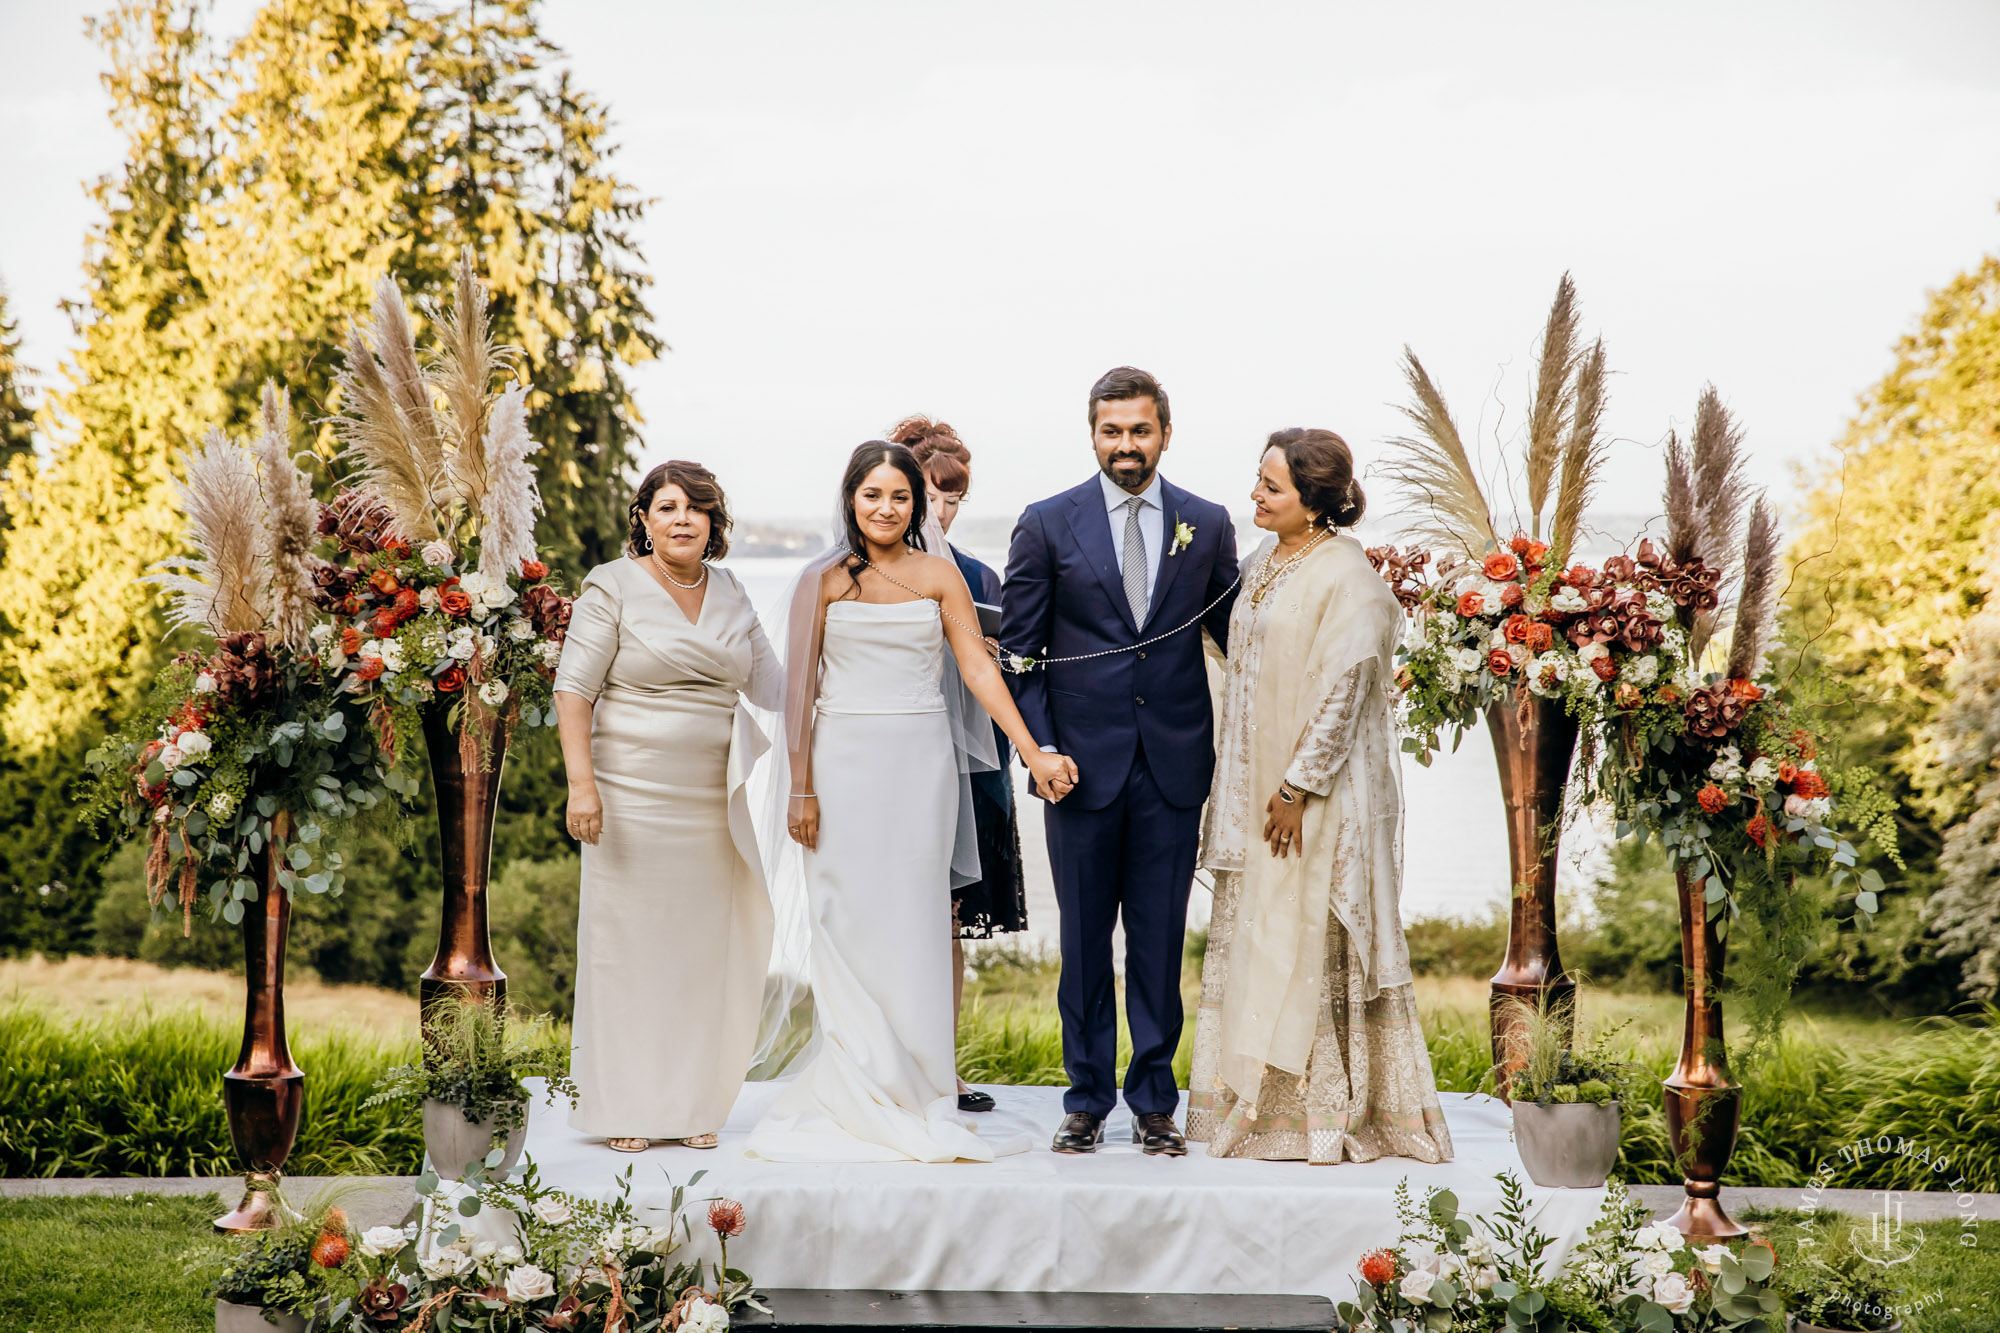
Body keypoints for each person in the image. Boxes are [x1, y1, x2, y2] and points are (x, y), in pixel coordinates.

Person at [744, 442, 1079, 1164]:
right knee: (844, 913)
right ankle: (857, 1072)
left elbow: (978, 670)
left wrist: (1031, 747)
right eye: (872, 495)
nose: (886, 508)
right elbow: (798, 691)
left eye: (899, 496)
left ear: (916, 504)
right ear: (851, 500)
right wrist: (800, 785)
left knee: (917, 917)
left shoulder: (939, 576)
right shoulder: (822, 581)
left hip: (921, 764)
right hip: (840, 765)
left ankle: (923, 1081)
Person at [1186, 429, 1454, 1165]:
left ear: (1315, 501)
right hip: (1256, 791)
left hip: (1312, 800)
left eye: (1271, 487)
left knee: (1309, 942)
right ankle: (1258, 1105)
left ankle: (1322, 1114)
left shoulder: (1348, 575)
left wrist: (1295, 785)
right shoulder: (1264, 562)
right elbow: (1235, 659)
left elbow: (1344, 689)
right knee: (1257, 940)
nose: (1255, 496)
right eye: (1259, 481)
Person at [998, 367, 1239, 1156]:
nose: (1126, 445)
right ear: (1093, 434)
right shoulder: (1045, 523)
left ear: (1165, 431)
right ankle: (1087, 1097)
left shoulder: (1206, 523)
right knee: (1085, 943)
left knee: (1161, 940)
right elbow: (1022, 656)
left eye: (1140, 430)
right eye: (1112, 431)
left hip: (1172, 765)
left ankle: (1155, 1100)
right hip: (1077, 771)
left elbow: (1244, 639)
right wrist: (1040, 751)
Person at [554, 461, 782, 1152]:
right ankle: (627, 1109)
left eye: (697, 508)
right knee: (629, 954)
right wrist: (581, 784)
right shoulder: (611, 585)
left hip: (713, 802)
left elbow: (776, 686)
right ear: (644, 518)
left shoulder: (733, 590)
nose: (683, 518)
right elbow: (573, 690)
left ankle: (689, 1106)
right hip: (629, 798)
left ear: (714, 522)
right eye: (668, 506)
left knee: (697, 955)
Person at [888, 414, 1028, 1116]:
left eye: (953, 500)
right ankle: (880, 1062)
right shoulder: (858, 570)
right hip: (887, 761)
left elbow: (993, 670)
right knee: (886, 913)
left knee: (946, 918)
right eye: (932, 495)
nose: (940, 511)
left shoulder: (978, 575)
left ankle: (941, 1066)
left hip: (967, 769)